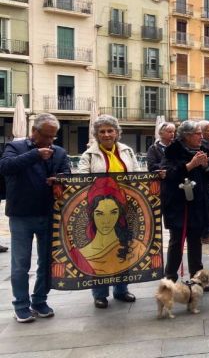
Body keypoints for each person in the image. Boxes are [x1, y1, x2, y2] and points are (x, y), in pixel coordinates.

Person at [0, 114, 70, 323]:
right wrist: (36, 155)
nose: (50, 141)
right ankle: (21, 305)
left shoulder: (59, 152)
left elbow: (67, 173)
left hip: (49, 214)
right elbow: (5, 167)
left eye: (53, 137)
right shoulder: (16, 147)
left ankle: (40, 300)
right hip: (21, 215)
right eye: (46, 136)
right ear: (35, 131)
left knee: (47, 262)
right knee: (21, 263)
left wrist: (59, 180)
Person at [77, 114, 140, 309]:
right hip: (98, 211)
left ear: (117, 133)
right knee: (99, 250)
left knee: (124, 246)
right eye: (102, 131)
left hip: (124, 208)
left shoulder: (127, 151)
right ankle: (100, 293)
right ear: (96, 134)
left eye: (110, 130)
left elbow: (138, 175)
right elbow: (80, 180)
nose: (106, 134)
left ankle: (121, 290)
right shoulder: (88, 155)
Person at [160, 120, 209, 288]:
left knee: (195, 242)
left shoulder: (204, 151)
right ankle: (169, 279)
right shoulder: (172, 151)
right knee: (176, 242)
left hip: (199, 204)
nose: (201, 136)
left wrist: (206, 166)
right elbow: (168, 174)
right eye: (197, 134)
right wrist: (190, 165)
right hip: (179, 206)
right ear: (186, 136)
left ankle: (197, 277)